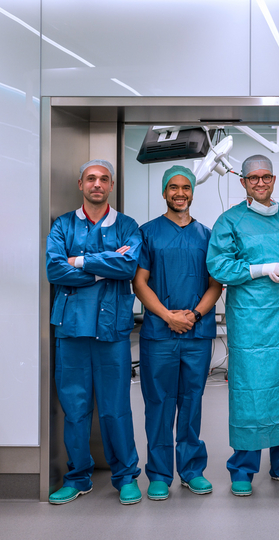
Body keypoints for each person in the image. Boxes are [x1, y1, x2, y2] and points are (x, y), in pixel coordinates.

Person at [206, 154, 279, 497]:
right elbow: (218, 266)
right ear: (243, 182)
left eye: (266, 177)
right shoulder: (231, 221)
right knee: (250, 393)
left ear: (273, 180)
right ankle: (243, 467)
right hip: (251, 320)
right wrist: (260, 269)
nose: (261, 183)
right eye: (253, 178)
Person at [46, 159, 143, 505]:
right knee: (75, 409)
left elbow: (129, 265)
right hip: (71, 332)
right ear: (80, 184)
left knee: (115, 408)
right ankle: (77, 477)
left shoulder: (128, 226)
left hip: (111, 333)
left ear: (111, 186)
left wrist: (80, 261)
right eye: (91, 178)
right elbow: (55, 270)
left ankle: (126, 476)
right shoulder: (62, 226)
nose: (97, 184)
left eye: (104, 179)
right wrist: (105, 267)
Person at [132, 165, 223, 501]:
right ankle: (158, 473)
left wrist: (195, 314)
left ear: (193, 193)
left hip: (197, 334)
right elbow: (139, 282)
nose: (180, 193)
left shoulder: (207, 235)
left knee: (191, 401)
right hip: (160, 333)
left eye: (186, 187)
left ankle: (191, 470)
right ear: (164, 193)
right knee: (158, 403)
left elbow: (216, 283)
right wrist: (168, 316)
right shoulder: (148, 232)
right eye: (174, 187)